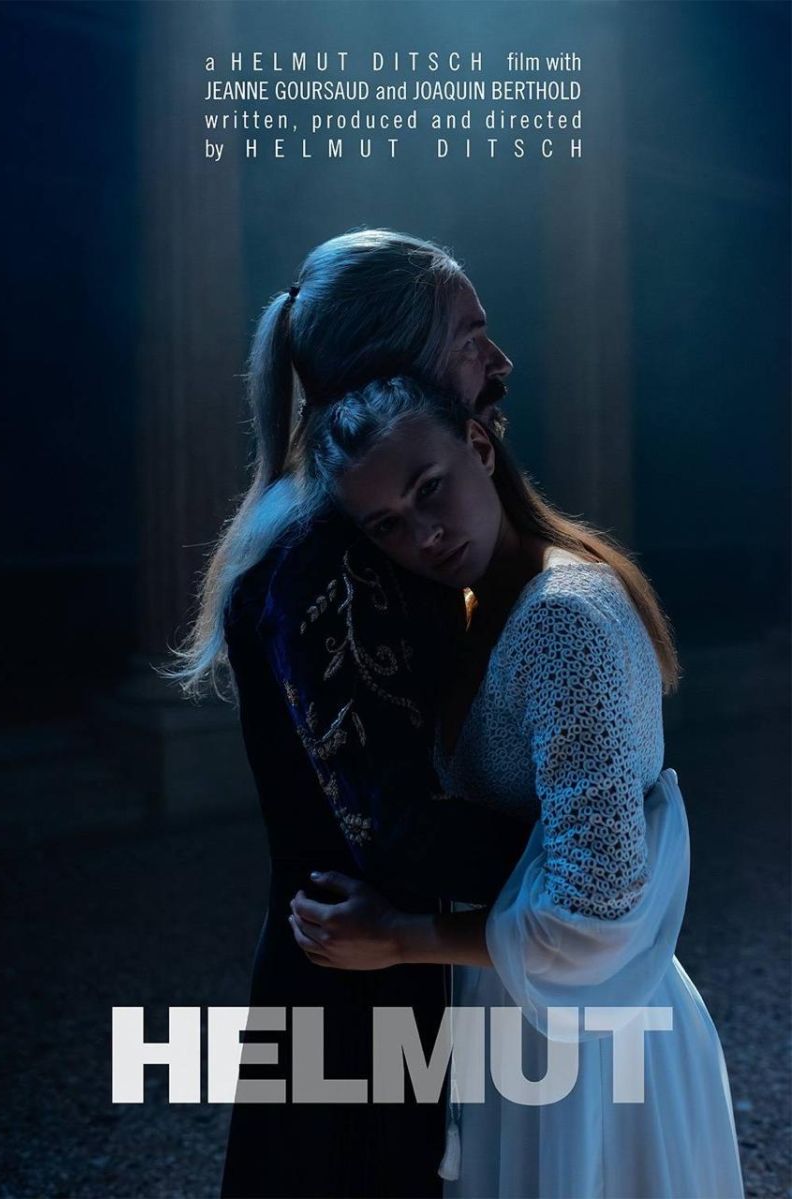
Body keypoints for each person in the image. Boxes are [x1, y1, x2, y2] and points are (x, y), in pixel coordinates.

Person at [287, 375, 746, 1199]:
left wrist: (396, 936)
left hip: (589, 1042)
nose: (423, 533)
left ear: (480, 445)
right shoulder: (489, 607)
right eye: (387, 524)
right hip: (534, 1019)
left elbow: (593, 910)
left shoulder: (561, 616)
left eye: (430, 488)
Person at [166, 229, 538, 1198]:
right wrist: (596, 855)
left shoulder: (360, 534)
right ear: (395, 364)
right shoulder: (324, 555)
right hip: (350, 988)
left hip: (369, 970)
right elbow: (400, 833)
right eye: (470, 337)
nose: (497, 362)